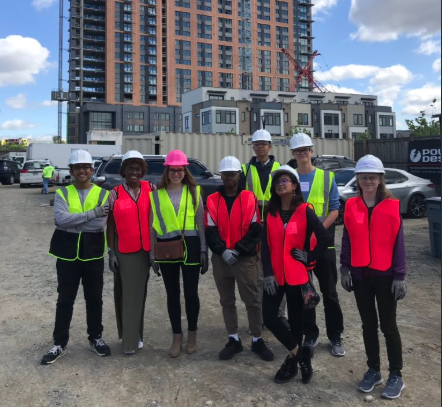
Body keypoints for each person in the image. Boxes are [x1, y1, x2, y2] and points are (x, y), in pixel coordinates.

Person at [340, 155, 406, 399]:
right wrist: (344, 268)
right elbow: (347, 239)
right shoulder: (351, 206)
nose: (368, 180)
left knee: (389, 326)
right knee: (368, 325)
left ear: (380, 179)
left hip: (386, 275)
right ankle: (374, 370)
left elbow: (399, 244)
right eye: (363, 176)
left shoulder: (392, 206)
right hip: (360, 275)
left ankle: (396, 374)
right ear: (357, 179)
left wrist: (400, 276)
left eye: (372, 177)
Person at [261, 165, 330, 384]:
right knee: (270, 317)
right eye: (278, 182)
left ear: (294, 185)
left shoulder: (304, 211)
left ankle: (291, 362)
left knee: (296, 320)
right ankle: (300, 354)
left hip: (296, 274)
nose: (281, 184)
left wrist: (309, 256)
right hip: (275, 276)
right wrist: (268, 274)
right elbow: (265, 246)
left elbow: (325, 239)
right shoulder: (270, 212)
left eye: (285, 181)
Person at [42, 150, 111, 365]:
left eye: (86, 167)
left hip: (92, 252)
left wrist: (77, 221)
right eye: (77, 167)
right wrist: (93, 213)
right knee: (65, 300)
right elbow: (62, 220)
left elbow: (99, 225)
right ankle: (60, 343)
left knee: (94, 299)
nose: (82, 170)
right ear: (71, 171)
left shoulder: (103, 194)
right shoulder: (63, 193)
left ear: (91, 170)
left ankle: (95, 338)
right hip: (67, 254)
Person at [205, 156, 273, 362]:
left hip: (244, 259)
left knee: (253, 301)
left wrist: (238, 250)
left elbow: (255, 229)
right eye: (226, 174)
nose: (229, 178)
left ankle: (256, 339)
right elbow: (210, 230)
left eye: (233, 174)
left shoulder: (249, 198)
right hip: (221, 259)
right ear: (221, 176)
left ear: (238, 175)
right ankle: (233, 339)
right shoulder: (212, 200)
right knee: (227, 301)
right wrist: (222, 250)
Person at [288, 133, 345, 357]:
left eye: (306, 149)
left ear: (312, 151)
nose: (302, 153)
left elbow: (334, 209)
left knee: (329, 292)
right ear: (293, 153)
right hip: (299, 246)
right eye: (298, 150)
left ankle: (335, 336)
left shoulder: (326, 177)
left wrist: (317, 233)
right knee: (305, 292)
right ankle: (310, 334)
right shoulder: (289, 178)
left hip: (323, 246)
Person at [149, 150, 208, 358]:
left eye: (180, 170)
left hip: (191, 247)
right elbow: (152, 226)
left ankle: (192, 334)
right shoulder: (155, 195)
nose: (176, 173)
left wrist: (203, 249)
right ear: (167, 170)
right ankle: (177, 335)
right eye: (173, 170)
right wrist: (151, 253)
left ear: (185, 171)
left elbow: (201, 222)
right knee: (172, 294)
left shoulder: (193, 191)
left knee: (191, 294)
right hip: (166, 248)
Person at [107, 150, 156, 355]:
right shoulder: (115, 193)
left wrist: (156, 252)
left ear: (142, 170)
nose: (134, 172)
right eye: (130, 168)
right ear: (124, 171)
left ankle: (137, 335)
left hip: (146, 250)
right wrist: (110, 251)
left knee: (140, 294)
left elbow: (156, 220)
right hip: (124, 250)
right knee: (128, 295)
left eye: (138, 168)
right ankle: (129, 342)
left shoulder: (151, 188)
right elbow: (110, 224)